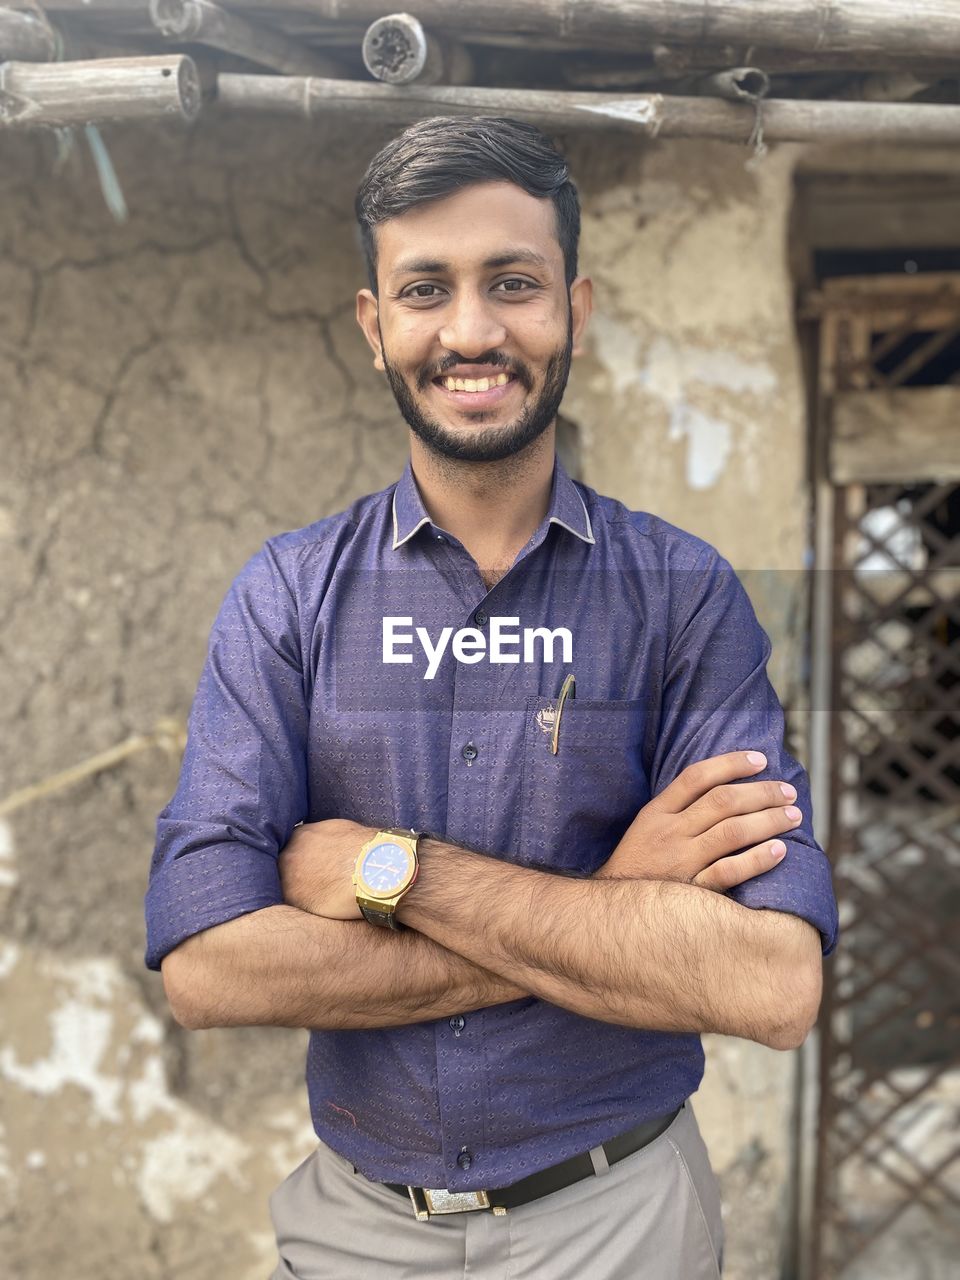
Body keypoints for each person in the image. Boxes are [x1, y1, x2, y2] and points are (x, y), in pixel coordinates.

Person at [145, 116, 839, 1280]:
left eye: (512, 283)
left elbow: (771, 981)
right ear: (377, 326)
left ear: (575, 304)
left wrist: (393, 870)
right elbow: (209, 965)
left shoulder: (683, 596)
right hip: (355, 1227)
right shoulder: (288, 598)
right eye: (427, 288)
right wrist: (613, 904)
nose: (472, 331)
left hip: (622, 1222)